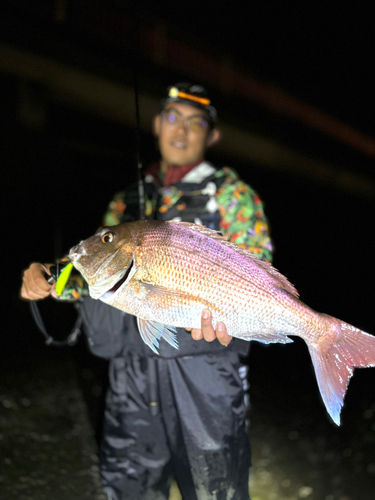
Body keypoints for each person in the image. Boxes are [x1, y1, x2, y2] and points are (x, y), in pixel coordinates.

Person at [21, 83, 273, 500]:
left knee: (217, 489)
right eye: (173, 117)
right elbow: (96, 279)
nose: (182, 130)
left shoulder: (234, 196)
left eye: (196, 123)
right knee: (128, 487)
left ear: (211, 137)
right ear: (157, 125)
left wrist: (243, 317)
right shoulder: (125, 203)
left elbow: (256, 272)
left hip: (206, 372)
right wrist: (51, 278)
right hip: (131, 379)